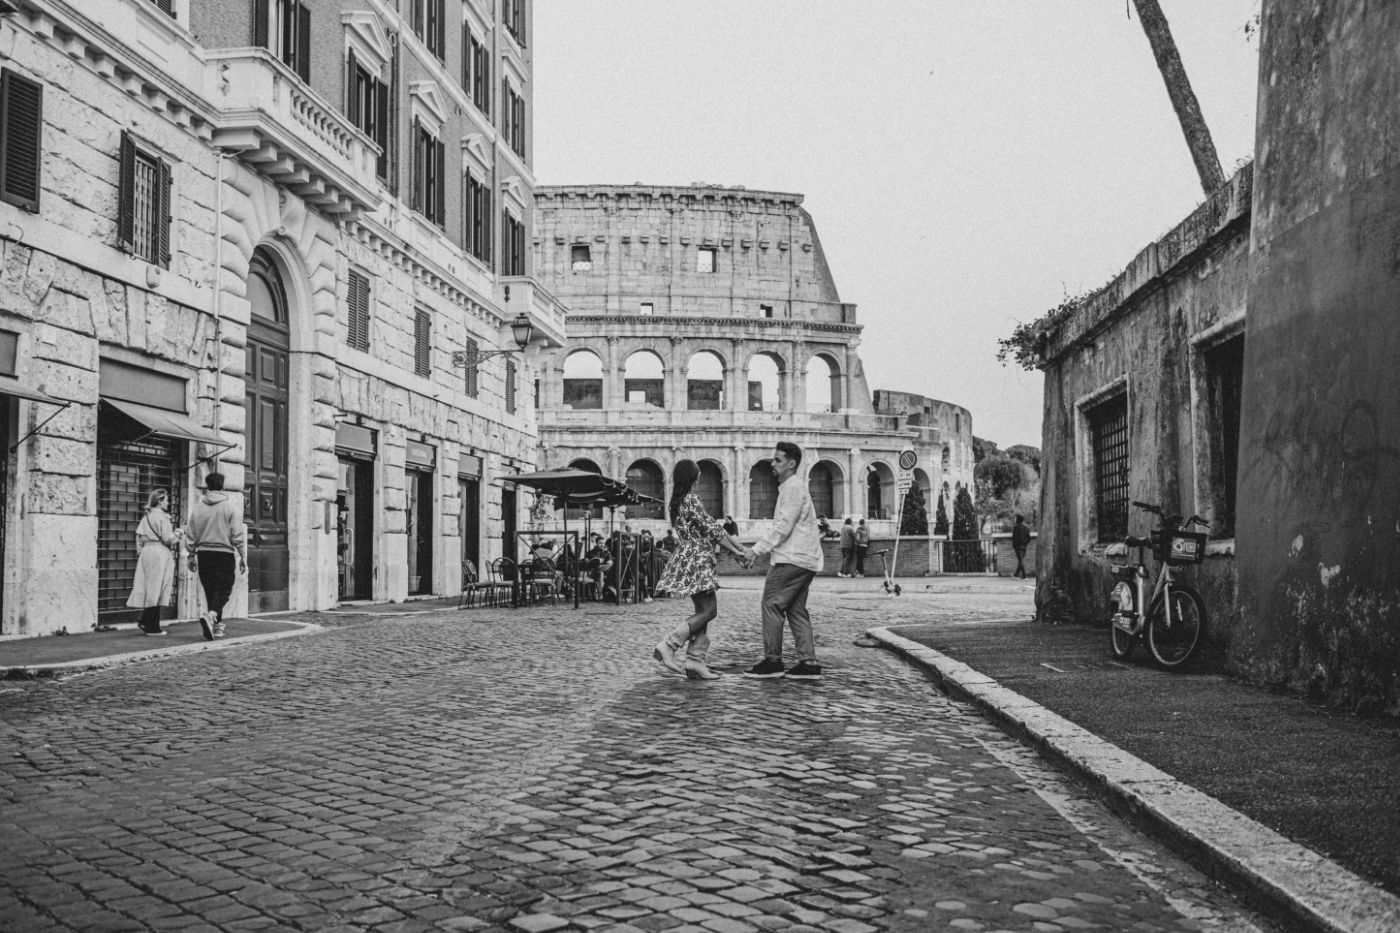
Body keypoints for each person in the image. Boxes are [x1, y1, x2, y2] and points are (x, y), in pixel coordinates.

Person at [652, 460, 749, 680]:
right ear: (693, 478)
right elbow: (713, 530)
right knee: (709, 611)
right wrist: (738, 552)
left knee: (702, 613)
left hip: (688, 558)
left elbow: (713, 529)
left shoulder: (677, 502)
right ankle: (669, 645)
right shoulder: (691, 500)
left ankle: (696, 661)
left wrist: (739, 549)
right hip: (697, 559)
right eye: (698, 475)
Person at [740, 442, 824, 679]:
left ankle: (773, 661)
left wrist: (755, 550)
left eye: (777, 460)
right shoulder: (794, 488)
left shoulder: (792, 488)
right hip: (805, 559)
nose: (772, 464)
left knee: (771, 604)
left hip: (791, 558)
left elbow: (783, 526)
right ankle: (808, 663)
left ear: (791, 463)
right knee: (796, 610)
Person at [184, 472, 247, 640]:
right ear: (223, 486)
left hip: (204, 554)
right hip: (224, 553)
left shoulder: (198, 507)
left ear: (207, 485)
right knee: (225, 589)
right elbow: (238, 535)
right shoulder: (229, 507)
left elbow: (191, 533)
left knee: (211, 591)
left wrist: (191, 555)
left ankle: (217, 626)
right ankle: (212, 616)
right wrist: (242, 556)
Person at [126, 489, 180, 635]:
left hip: (146, 553)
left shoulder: (146, 517)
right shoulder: (162, 517)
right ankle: (151, 625)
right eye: (166, 500)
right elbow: (168, 539)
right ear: (160, 501)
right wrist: (180, 533)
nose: (168, 502)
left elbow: (139, 538)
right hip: (159, 552)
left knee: (149, 586)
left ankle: (147, 620)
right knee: (158, 587)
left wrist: (141, 553)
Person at [1012, 514, 1032, 579]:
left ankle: (1024, 576)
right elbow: (1029, 538)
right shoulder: (1026, 528)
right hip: (1024, 547)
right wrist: (1025, 544)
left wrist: (1015, 545)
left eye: (1015, 518)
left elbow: (1014, 538)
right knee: (1020, 561)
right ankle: (1016, 575)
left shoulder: (1016, 528)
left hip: (1018, 547)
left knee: (1021, 561)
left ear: (1018, 519)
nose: (1014, 519)